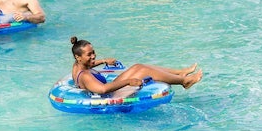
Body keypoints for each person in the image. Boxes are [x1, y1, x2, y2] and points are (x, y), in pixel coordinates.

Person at [69, 37, 202, 97]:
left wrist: (103, 61)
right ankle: (184, 81)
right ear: (78, 57)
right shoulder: (85, 76)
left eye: (94, 53)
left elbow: (88, 65)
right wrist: (128, 81)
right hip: (111, 95)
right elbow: (103, 90)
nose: (93, 56)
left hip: (111, 89)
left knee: (138, 66)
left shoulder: (77, 66)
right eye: (89, 55)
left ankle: (180, 73)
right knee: (142, 70)